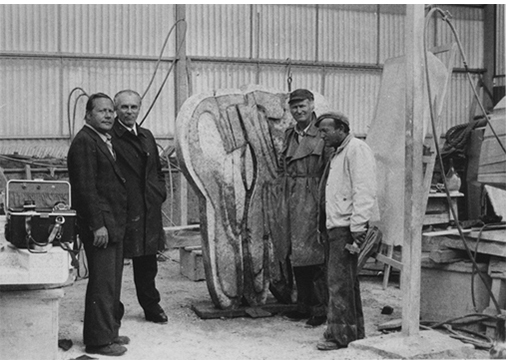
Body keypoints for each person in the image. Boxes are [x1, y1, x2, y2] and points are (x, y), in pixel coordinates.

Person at [67, 93, 129, 356]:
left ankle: (110, 331)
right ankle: (98, 341)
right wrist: (97, 225)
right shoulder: (84, 142)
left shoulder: (103, 140)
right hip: (101, 226)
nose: (108, 115)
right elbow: (85, 189)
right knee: (102, 284)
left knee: (111, 282)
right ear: (88, 115)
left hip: (113, 222)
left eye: (110, 111)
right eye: (102, 111)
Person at [315, 111, 378, 350]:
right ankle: (353, 333)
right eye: (320, 131)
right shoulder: (338, 153)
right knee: (347, 283)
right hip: (337, 226)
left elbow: (364, 189)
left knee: (338, 284)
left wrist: (358, 227)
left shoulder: (356, 150)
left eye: (326, 130)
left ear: (342, 129)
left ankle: (339, 337)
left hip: (347, 227)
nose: (322, 135)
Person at [110, 89, 168, 324]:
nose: (129, 111)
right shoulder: (111, 137)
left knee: (147, 261)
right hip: (124, 210)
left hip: (148, 209)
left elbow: (158, 171)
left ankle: (151, 305)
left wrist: (158, 193)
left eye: (134, 107)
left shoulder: (146, 135)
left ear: (139, 108)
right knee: (114, 263)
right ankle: (113, 308)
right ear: (116, 109)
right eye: (124, 107)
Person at [276, 89, 331, 327]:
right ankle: (303, 305)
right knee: (295, 253)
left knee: (316, 255)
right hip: (291, 197)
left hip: (313, 196)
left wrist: (323, 199)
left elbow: (329, 168)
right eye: (294, 107)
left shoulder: (323, 133)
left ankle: (320, 309)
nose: (299, 111)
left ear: (312, 105)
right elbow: (282, 166)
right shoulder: (290, 134)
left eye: (303, 106)